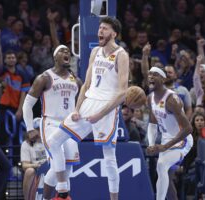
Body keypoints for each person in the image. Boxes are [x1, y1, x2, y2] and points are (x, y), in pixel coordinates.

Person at [43, 17, 129, 200]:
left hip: (107, 107)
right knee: (53, 140)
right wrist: (76, 109)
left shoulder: (121, 55)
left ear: (114, 33)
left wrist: (100, 114)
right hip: (89, 102)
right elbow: (86, 84)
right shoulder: (95, 51)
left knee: (109, 156)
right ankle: (62, 190)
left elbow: (122, 93)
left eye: (105, 28)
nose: (100, 31)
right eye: (99, 28)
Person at [23, 44, 82, 200]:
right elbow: (27, 104)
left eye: (68, 52)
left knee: (66, 167)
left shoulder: (76, 80)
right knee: (59, 157)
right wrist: (30, 128)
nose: (67, 53)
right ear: (55, 57)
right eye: (62, 51)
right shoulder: (44, 77)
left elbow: (81, 104)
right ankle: (62, 191)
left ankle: (45, 198)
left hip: (69, 125)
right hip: (50, 122)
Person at [146, 66, 193, 200]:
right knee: (166, 179)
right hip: (166, 140)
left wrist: (164, 147)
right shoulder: (150, 98)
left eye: (154, 75)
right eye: (149, 74)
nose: (150, 77)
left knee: (161, 166)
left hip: (182, 140)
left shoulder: (172, 99)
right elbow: (152, 123)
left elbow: (188, 129)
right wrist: (151, 144)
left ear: (163, 79)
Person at [20, 117, 47, 200]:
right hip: (36, 169)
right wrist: (37, 165)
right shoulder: (26, 144)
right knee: (29, 171)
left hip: (49, 167)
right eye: (37, 129)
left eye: (40, 128)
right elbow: (24, 165)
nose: (39, 131)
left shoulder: (49, 140)